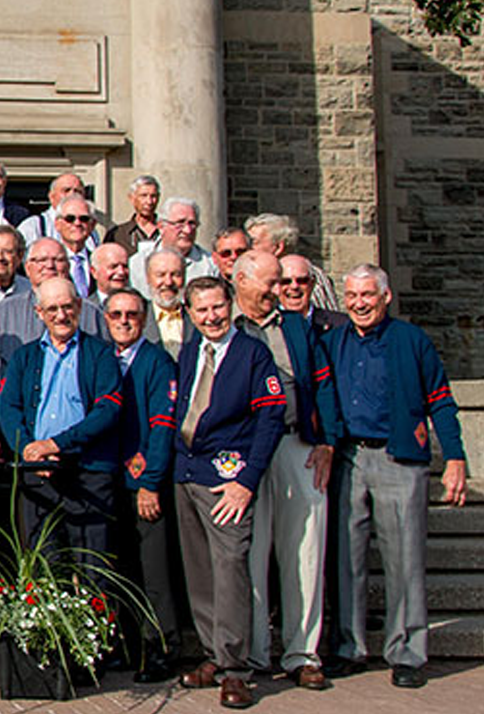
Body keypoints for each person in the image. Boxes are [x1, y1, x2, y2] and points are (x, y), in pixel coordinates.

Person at [323, 264, 470, 689]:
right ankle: (349, 646)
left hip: (397, 458)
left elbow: (441, 401)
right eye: (351, 296)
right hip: (348, 457)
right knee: (345, 559)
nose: (359, 303)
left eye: (367, 295)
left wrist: (456, 457)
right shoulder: (333, 342)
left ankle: (407, 652)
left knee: (405, 559)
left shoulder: (412, 340)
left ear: (385, 296)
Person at [172, 276, 286, 709]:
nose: (212, 316)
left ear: (231, 305)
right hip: (188, 474)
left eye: (218, 307)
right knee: (199, 572)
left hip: (228, 481)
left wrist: (246, 481)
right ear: (191, 313)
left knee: (230, 570)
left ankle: (236, 670)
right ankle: (212, 657)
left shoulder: (253, 353)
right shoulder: (188, 352)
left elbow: (271, 419)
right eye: (202, 310)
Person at [229, 250, 337, 690]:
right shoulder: (224, 325)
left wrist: (329, 440)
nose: (279, 292)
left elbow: (324, 383)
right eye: (270, 284)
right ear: (240, 281)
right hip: (244, 451)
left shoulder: (296, 326)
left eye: (281, 283)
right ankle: (253, 652)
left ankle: (301, 653)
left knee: (304, 550)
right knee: (250, 552)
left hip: (298, 446)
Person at [0, 278, 123, 569]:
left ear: (79, 306)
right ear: (39, 312)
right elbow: (8, 407)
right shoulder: (24, 356)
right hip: (38, 475)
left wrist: (54, 445)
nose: (61, 315)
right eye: (52, 309)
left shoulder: (101, 354)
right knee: (43, 567)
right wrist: (29, 448)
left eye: (67, 306)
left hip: (87, 473)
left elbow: (108, 409)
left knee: (94, 568)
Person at [101, 288, 180, 683]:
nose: (124, 321)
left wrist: (150, 482)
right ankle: (125, 645)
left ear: (145, 318)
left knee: (154, 572)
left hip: (142, 482)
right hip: (107, 479)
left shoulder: (156, 362)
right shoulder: (101, 358)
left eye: (132, 314)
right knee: (120, 567)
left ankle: (160, 648)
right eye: (116, 314)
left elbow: (162, 426)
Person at [0, 237, 108, 377]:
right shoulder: (5, 311)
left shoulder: (91, 313)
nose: (50, 266)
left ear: (68, 266)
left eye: (58, 260)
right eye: (41, 260)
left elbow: (107, 360)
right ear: (27, 268)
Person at [245, 213, 343, 312]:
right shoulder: (250, 274)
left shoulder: (309, 276)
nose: (247, 248)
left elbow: (328, 318)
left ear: (278, 247)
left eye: (253, 242)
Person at [128, 198, 218, 297]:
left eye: (192, 223)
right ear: (161, 226)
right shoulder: (138, 263)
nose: (187, 230)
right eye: (180, 223)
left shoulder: (210, 265)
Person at [280, 254, 348, 332]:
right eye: (285, 281)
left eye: (302, 280)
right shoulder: (266, 328)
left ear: (312, 283)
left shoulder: (341, 325)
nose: (294, 286)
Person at [15, 173, 88, 245]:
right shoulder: (33, 226)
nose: (72, 195)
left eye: (78, 191)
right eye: (66, 190)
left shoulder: (89, 231)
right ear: (52, 197)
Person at [145, 247, 192, 356]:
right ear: (148, 278)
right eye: (161, 275)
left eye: (176, 275)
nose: (168, 282)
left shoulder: (195, 317)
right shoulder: (138, 318)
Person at [54, 195, 99, 298]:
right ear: (57, 224)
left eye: (84, 219)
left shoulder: (98, 262)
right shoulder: (48, 264)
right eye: (70, 219)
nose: (77, 223)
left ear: (92, 225)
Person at [106, 175, 161, 251]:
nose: (149, 201)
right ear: (132, 198)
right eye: (143, 196)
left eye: (153, 196)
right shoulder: (118, 234)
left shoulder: (166, 231)